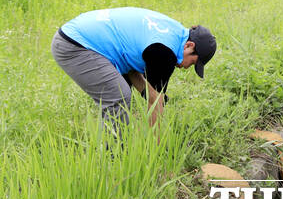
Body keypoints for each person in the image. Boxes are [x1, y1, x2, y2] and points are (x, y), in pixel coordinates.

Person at [51, 7, 217, 128]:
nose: (187, 68)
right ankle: (114, 159)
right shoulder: (164, 52)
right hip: (75, 45)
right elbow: (155, 103)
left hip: (77, 34)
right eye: (193, 62)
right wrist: (156, 152)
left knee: (124, 90)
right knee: (118, 96)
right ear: (189, 46)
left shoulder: (173, 31)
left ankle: (120, 147)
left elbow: (129, 63)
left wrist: (148, 91)